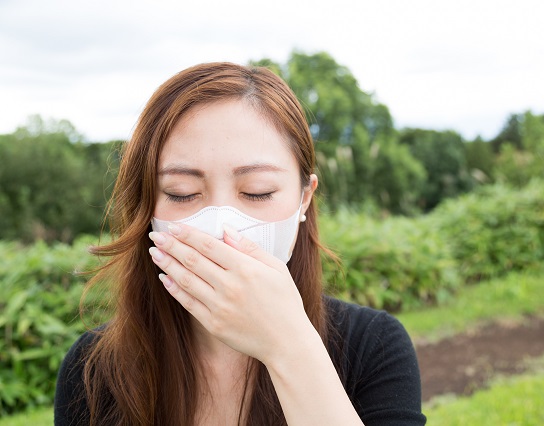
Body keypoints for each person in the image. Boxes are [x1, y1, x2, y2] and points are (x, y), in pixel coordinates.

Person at [54, 62, 426, 426]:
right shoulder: (93, 370)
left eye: (256, 192)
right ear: (147, 205)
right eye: (181, 194)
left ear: (305, 198)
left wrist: (288, 347)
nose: (220, 228)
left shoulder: (373, 346)